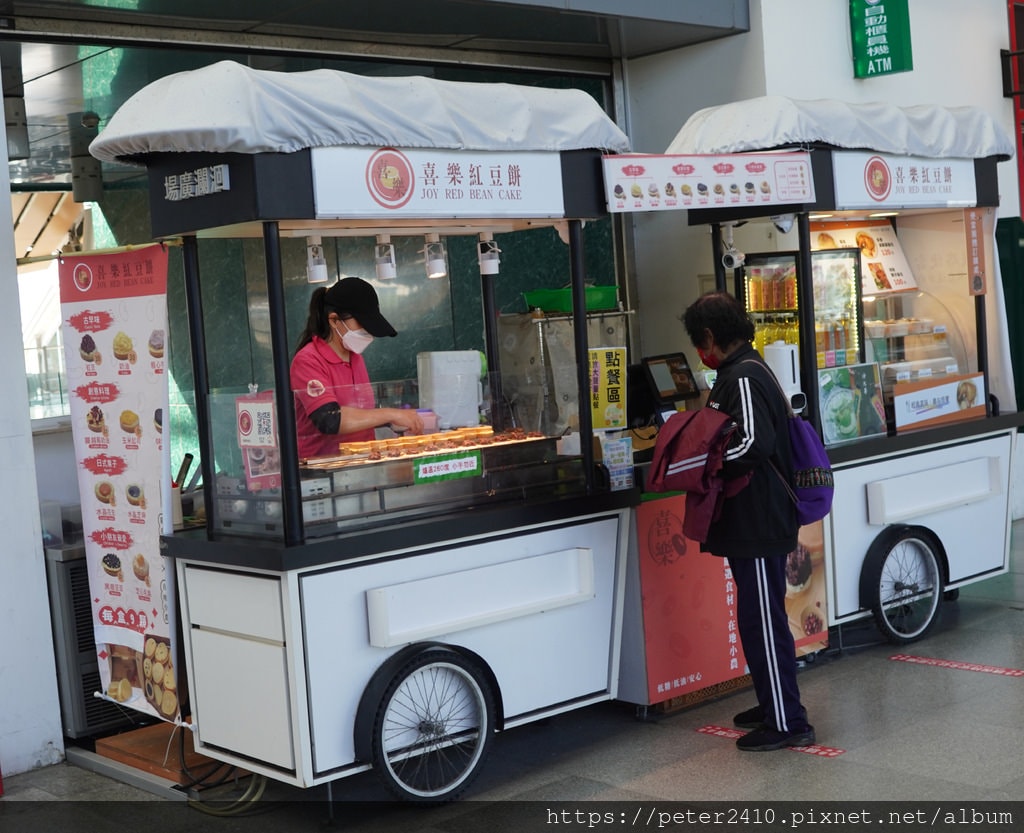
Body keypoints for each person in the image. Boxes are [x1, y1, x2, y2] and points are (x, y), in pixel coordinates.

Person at [681, 291, 815, 752]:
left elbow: (752, 444)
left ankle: (787, 722)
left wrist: (705, 466)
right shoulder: (747, 371)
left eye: (700, 341)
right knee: (756, 616)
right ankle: (771, 702)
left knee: (763, 619)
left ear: (710, 337)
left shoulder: (741, 376)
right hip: (755, 520)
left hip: (758, 520)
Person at [291, 276, 422, 459]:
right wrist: (391, 414)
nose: (367, 331)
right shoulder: (308, 360)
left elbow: (361, 415)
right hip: (322, 469)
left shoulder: (355, 357)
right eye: (362, 323)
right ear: (334, 320)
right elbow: (329, 419)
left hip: (361, 464)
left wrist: (396, 421)